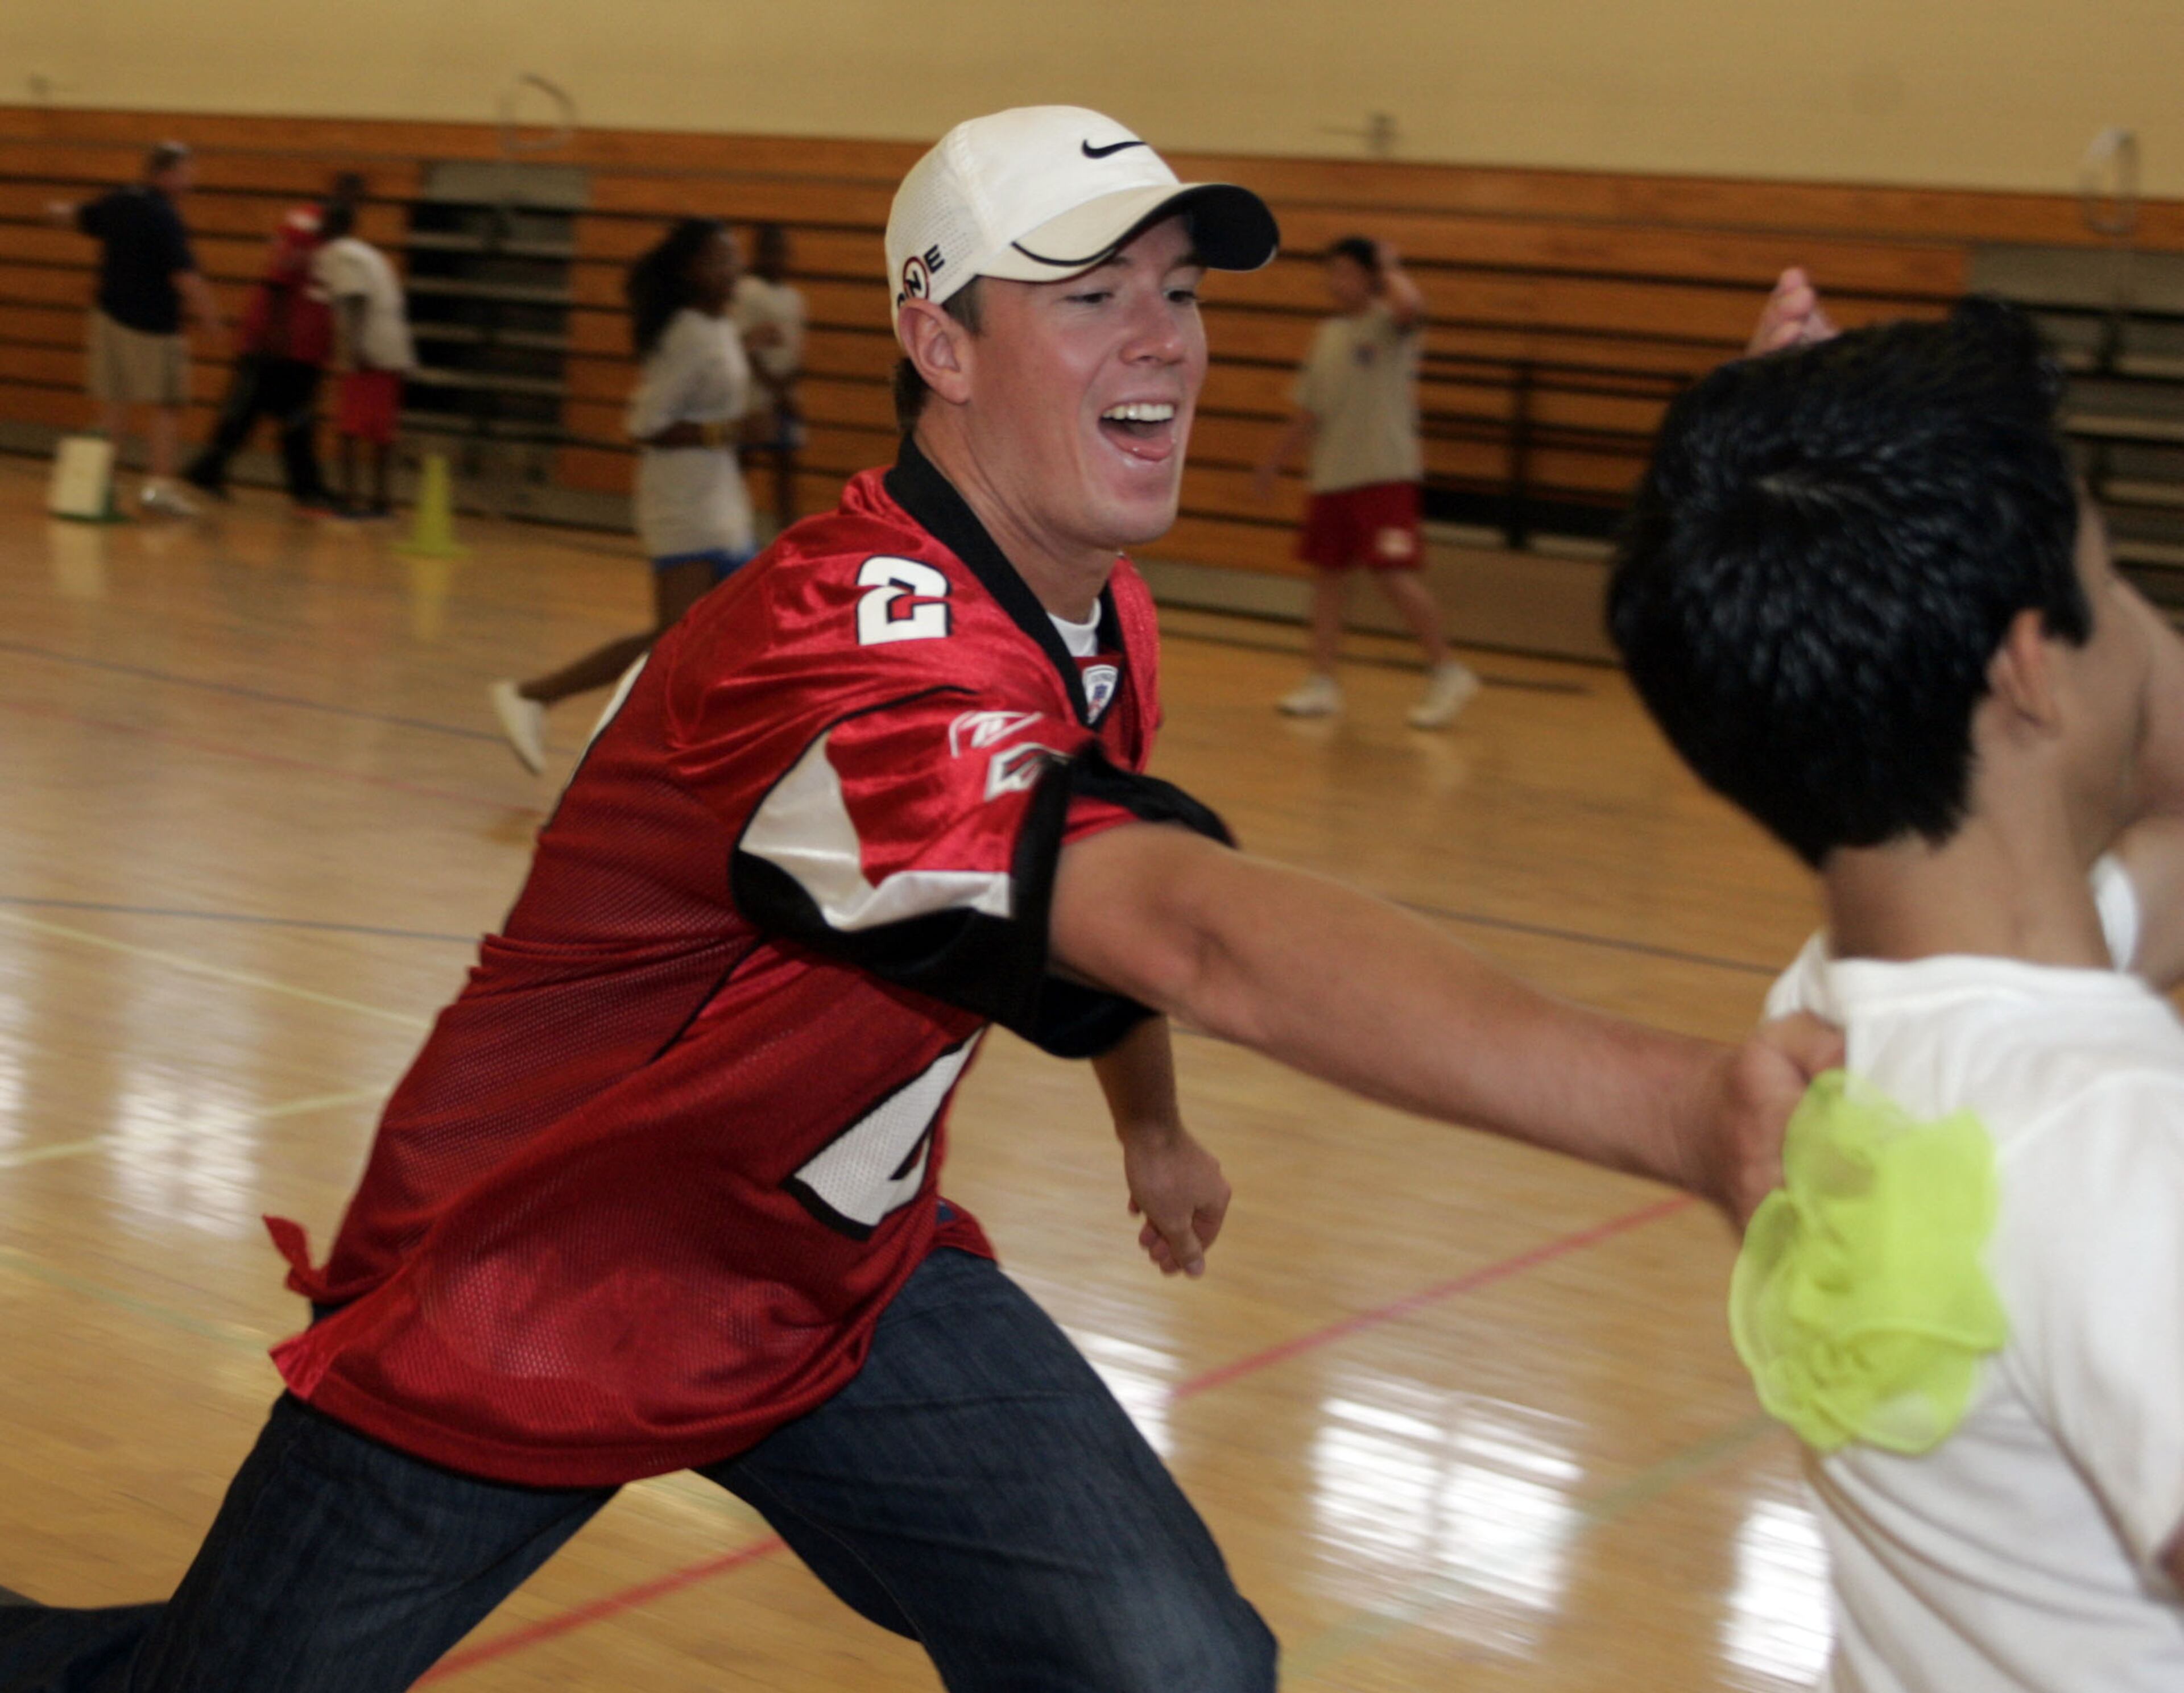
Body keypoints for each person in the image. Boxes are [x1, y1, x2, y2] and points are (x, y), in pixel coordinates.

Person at [0, 107, 1831, 1693]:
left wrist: (1153, 1122)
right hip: (533, 1278)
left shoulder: (1097, 606)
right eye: (1091, 292)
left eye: (1182, 291)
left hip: (837, 1270)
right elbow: (1187, 926)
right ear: (935, 341)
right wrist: (1681, 1106)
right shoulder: (841, 654)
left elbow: (1093, 903)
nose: (1167, 340)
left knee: (1169, 1658)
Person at [1609, 295, 2184, 1691]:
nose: (2153, 631)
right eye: (2114, 591)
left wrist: (1813, 502)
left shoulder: (1826, 1021)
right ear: (2030, 666)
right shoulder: (2110, 1147)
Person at [490, 218, 756, 774]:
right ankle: (538, 695)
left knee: (729, 636)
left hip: (720, 497)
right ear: (691, 271)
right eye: (720, 259)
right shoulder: (686, 332)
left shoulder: (717, 325)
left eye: (734, 258)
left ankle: (699, 756)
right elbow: (643, 423)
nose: (734, 269)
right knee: (675, 639)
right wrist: (727, 432)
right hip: (681, 501)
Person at [1252, 235, 1474, 728]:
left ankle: (1447, 670)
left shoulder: (1393, 327)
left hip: (1383, 475)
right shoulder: (1327, 334)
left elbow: (1410, 304)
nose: (1336, 282)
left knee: (1394, 574)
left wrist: (1390, 265)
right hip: (1333, 477)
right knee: (1329, 579)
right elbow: (1310, 410)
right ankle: (1322, 681)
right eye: (1332, 272)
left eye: (1348, 272)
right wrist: (1274, 462)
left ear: (1369, 278)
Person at [43, 140, 221, 519]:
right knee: (167, 405)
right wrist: (210, 318)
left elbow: (76, 216)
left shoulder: (120, 199)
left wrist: (54, 210)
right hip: (153, 326)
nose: (192, 180)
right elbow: (185, 276)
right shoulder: (163, 215)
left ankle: (98, 485)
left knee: (114, 405)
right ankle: (158, 489)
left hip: (108, 319)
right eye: (187, 172)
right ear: (166, 174)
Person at [183, 193, 339, 512]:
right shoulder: (304, 227)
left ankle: (213, 470)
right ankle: (212, 470)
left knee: (280, 415)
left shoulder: (332, 236)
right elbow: (277, 283)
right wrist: (277, 337)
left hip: (303, 348)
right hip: (277, 346)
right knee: (251, 412)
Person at [313, 195, 415, 518]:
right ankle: (381, 500)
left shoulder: (340, 255)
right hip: (392, 349)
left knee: (350, 430)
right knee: (381, 432)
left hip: (368, 352)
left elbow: (354, 300)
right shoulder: (366, 253)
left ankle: (350, 498)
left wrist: (350, 352)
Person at [733, 221, 808, 531]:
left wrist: (789, 389)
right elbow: (742, 346)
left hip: (784, 397)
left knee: (786, 472)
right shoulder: (747, 292)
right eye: (772, 251)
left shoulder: (794, 297)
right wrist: (775, 390)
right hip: (753, 398)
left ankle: (787, 537)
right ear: (760, 253)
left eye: (782, 251)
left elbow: (796, 353)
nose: (779, 257)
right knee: (741, 469)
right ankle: (735, 531)